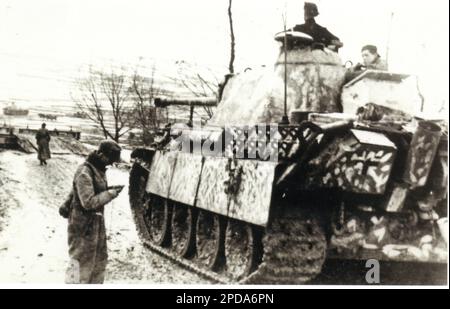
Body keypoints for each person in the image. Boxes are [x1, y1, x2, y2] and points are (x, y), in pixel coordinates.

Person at [63, 140, 123, 284]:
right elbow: (88, 202)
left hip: (95, 223)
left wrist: (109, 190)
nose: (109, 164)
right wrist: (110, 194)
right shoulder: (85, 171)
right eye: (109, 160)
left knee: (99, 261)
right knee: (80, 263)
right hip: (82, 224)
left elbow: (87, 190)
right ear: (101, 154)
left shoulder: (98, 168)